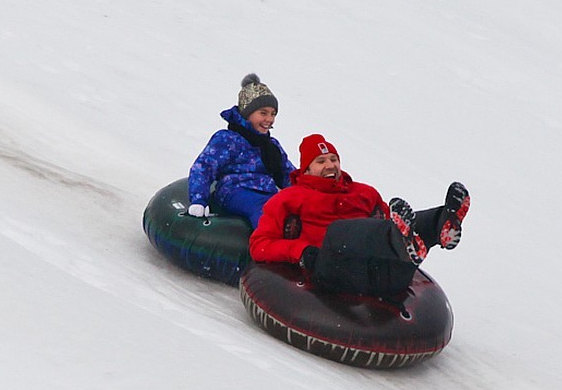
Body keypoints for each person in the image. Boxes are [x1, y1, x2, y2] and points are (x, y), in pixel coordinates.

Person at [249, 133, 469, 296]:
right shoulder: (289, 197)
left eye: (334, 159)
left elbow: (390, 222)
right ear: (306, 169)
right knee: (341, 231)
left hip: (380, 274)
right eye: (321, 161)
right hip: (332, 269)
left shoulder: (364, 192)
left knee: (405, 227)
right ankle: (400, 242)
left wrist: (407, 228)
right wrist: (301, 251)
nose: (330, 165)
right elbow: (259, 245)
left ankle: (440, 224)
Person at [187, 74, 295, 228]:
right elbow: (204, 168)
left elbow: (288, 174)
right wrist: (198, 199)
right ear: (247, 113)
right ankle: (266, 247)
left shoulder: (271, 146)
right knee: (265, 210)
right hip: (235, 191)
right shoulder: (227, 139)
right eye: (263, 113)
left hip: (268, 193)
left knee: (286, 209)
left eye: (273, 114)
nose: (269, 119)